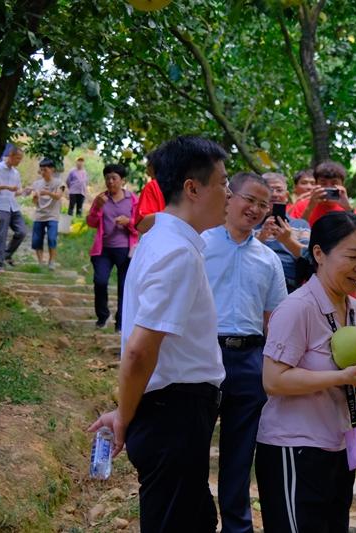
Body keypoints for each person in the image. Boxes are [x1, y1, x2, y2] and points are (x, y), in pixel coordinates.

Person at [88, 135, 230, 531]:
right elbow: (139, 349)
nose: (229, 193)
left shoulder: (162, 241)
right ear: (192, 188)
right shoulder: (177, 252)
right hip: (174, 415)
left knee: (195, 519)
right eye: (223, 183)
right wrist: (124, 414)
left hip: (174, 413)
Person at [255, 211, 356, 532]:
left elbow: (353, 374)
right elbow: (273, 380)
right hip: (294, 448)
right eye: (352, 256)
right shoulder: (297, 307)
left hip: (339, 446)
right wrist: (344, 377)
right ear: (319, 254)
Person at [202, 172, 288, 533]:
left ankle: (237, 527)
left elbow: (276, 320)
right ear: (229, 198)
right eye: (248, 199)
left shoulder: (268, 259)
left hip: (250, 361)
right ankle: (199, 519)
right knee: (193, 449)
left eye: (262, 204)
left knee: (239, 456)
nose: (254, 209)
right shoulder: (200, 244)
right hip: (203, 356)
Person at [86, 164, 139, 331]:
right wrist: (97, 207)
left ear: (123, 180)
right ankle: (102, 316)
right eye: (107, 178)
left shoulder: (132, 199)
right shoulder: (101, 199)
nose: (110, 182)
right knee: (100, 281)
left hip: (126, 250)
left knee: (124, 286)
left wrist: (128, 222)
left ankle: (121, 323)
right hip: (103, 249)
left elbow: (140, 223)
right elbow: (91, 222)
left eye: (114, 178)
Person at [256, 172, 311, 292]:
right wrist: (261, 238)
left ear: (286, 196)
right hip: (255, 279)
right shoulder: (250, 223)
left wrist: (288, 241)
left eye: (279, 190)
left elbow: (309, 258)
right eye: (270, 190)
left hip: (288, 284)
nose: (274, 194)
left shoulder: (300, 225)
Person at [0, 146, 27, 272]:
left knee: (22, 232)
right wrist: (5, 187)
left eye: (20, 159)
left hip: (13, 206)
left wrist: (24, 191)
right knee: (1, 236)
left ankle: (7, 254)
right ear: (10, 155)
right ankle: (0, 265)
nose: (19, 161)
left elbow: (16, 191)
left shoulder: (16, 173)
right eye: (17, 158)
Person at [288, 160, 356, 226]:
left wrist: (347, 208)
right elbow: (294, 231)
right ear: (316, 184)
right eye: (323, 183)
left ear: (342, 185)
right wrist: (310, 207)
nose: (329, 187)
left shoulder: (351, 211)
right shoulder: (301, 206)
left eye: (334, 183)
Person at [30, 158, 65, 270]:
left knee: (52, 238)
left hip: (52, 215)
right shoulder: (37, 184)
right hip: (39, 215)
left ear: (52, 169)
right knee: (37, 240)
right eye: (41, 170)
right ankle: (40, 262)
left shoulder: (59, 183)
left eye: (45, 170)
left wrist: (47, 193)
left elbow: (58, 196)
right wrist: (35, 198)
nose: (43, 172)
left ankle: (51, 261)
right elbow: (34, 202)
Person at [133, 151, 165, 235]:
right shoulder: (189, 185)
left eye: (148, 166)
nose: (147, 171)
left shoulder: (153, 186)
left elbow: (142, 225)